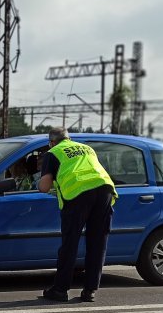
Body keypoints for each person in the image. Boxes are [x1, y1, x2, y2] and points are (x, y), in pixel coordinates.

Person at [36, 127, 117, 303]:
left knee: (70, 243)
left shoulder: (53, 152)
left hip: (78, 194)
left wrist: (39, 181)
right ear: (69, 138)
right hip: (105, 190)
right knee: (97, 242)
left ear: (51, 142)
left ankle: (61, 290)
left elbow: (44, 186)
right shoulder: (86, 148)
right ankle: (90, 291)